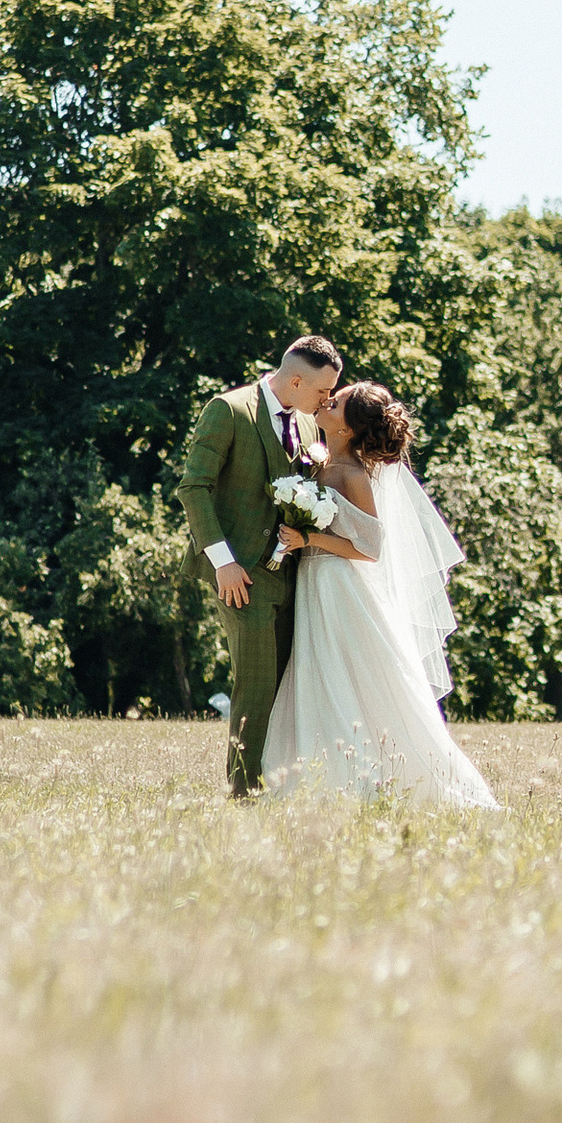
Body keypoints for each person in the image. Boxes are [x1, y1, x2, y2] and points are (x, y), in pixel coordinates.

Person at [263, 382, 497, 811]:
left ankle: (379, 778)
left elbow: (370, 547)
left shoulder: (352, 474)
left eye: (336, 403)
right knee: (319, 670)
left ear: (349, 430)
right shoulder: (320, 460)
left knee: (347, 672)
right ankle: (320, 773)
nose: (326, 402)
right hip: (314, 583)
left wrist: (309, 537)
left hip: (338, 584)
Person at [177, 334, 342, 798]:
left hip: (294, 576)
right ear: (294, 379)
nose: (327, 400)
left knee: (289, 682)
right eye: (322, 391)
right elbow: (195, 488)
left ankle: (282, 780)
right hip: (241, 576)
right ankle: (244, 790)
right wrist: (223, 562)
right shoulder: (228, 410)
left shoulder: (310, 427)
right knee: (254, 681)